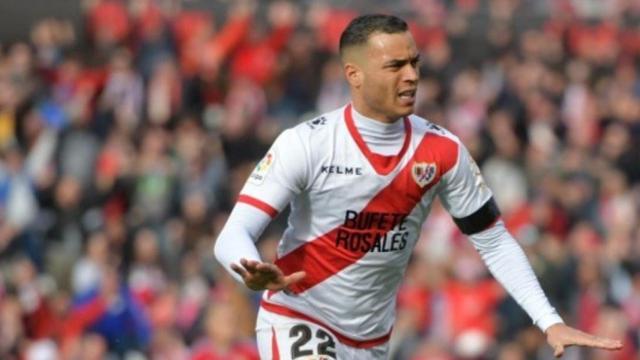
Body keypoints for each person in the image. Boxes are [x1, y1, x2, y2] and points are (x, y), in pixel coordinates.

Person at [214, 14, 623, 359]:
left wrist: (548, 320)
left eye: (414, 63)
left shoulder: (443, 151)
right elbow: (233, 235)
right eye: (395, 66)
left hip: (373, 339)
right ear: (353, 75)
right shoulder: (306, 143)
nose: (411, 76)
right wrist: (247, 270)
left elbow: (493, 241)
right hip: (299, 317)